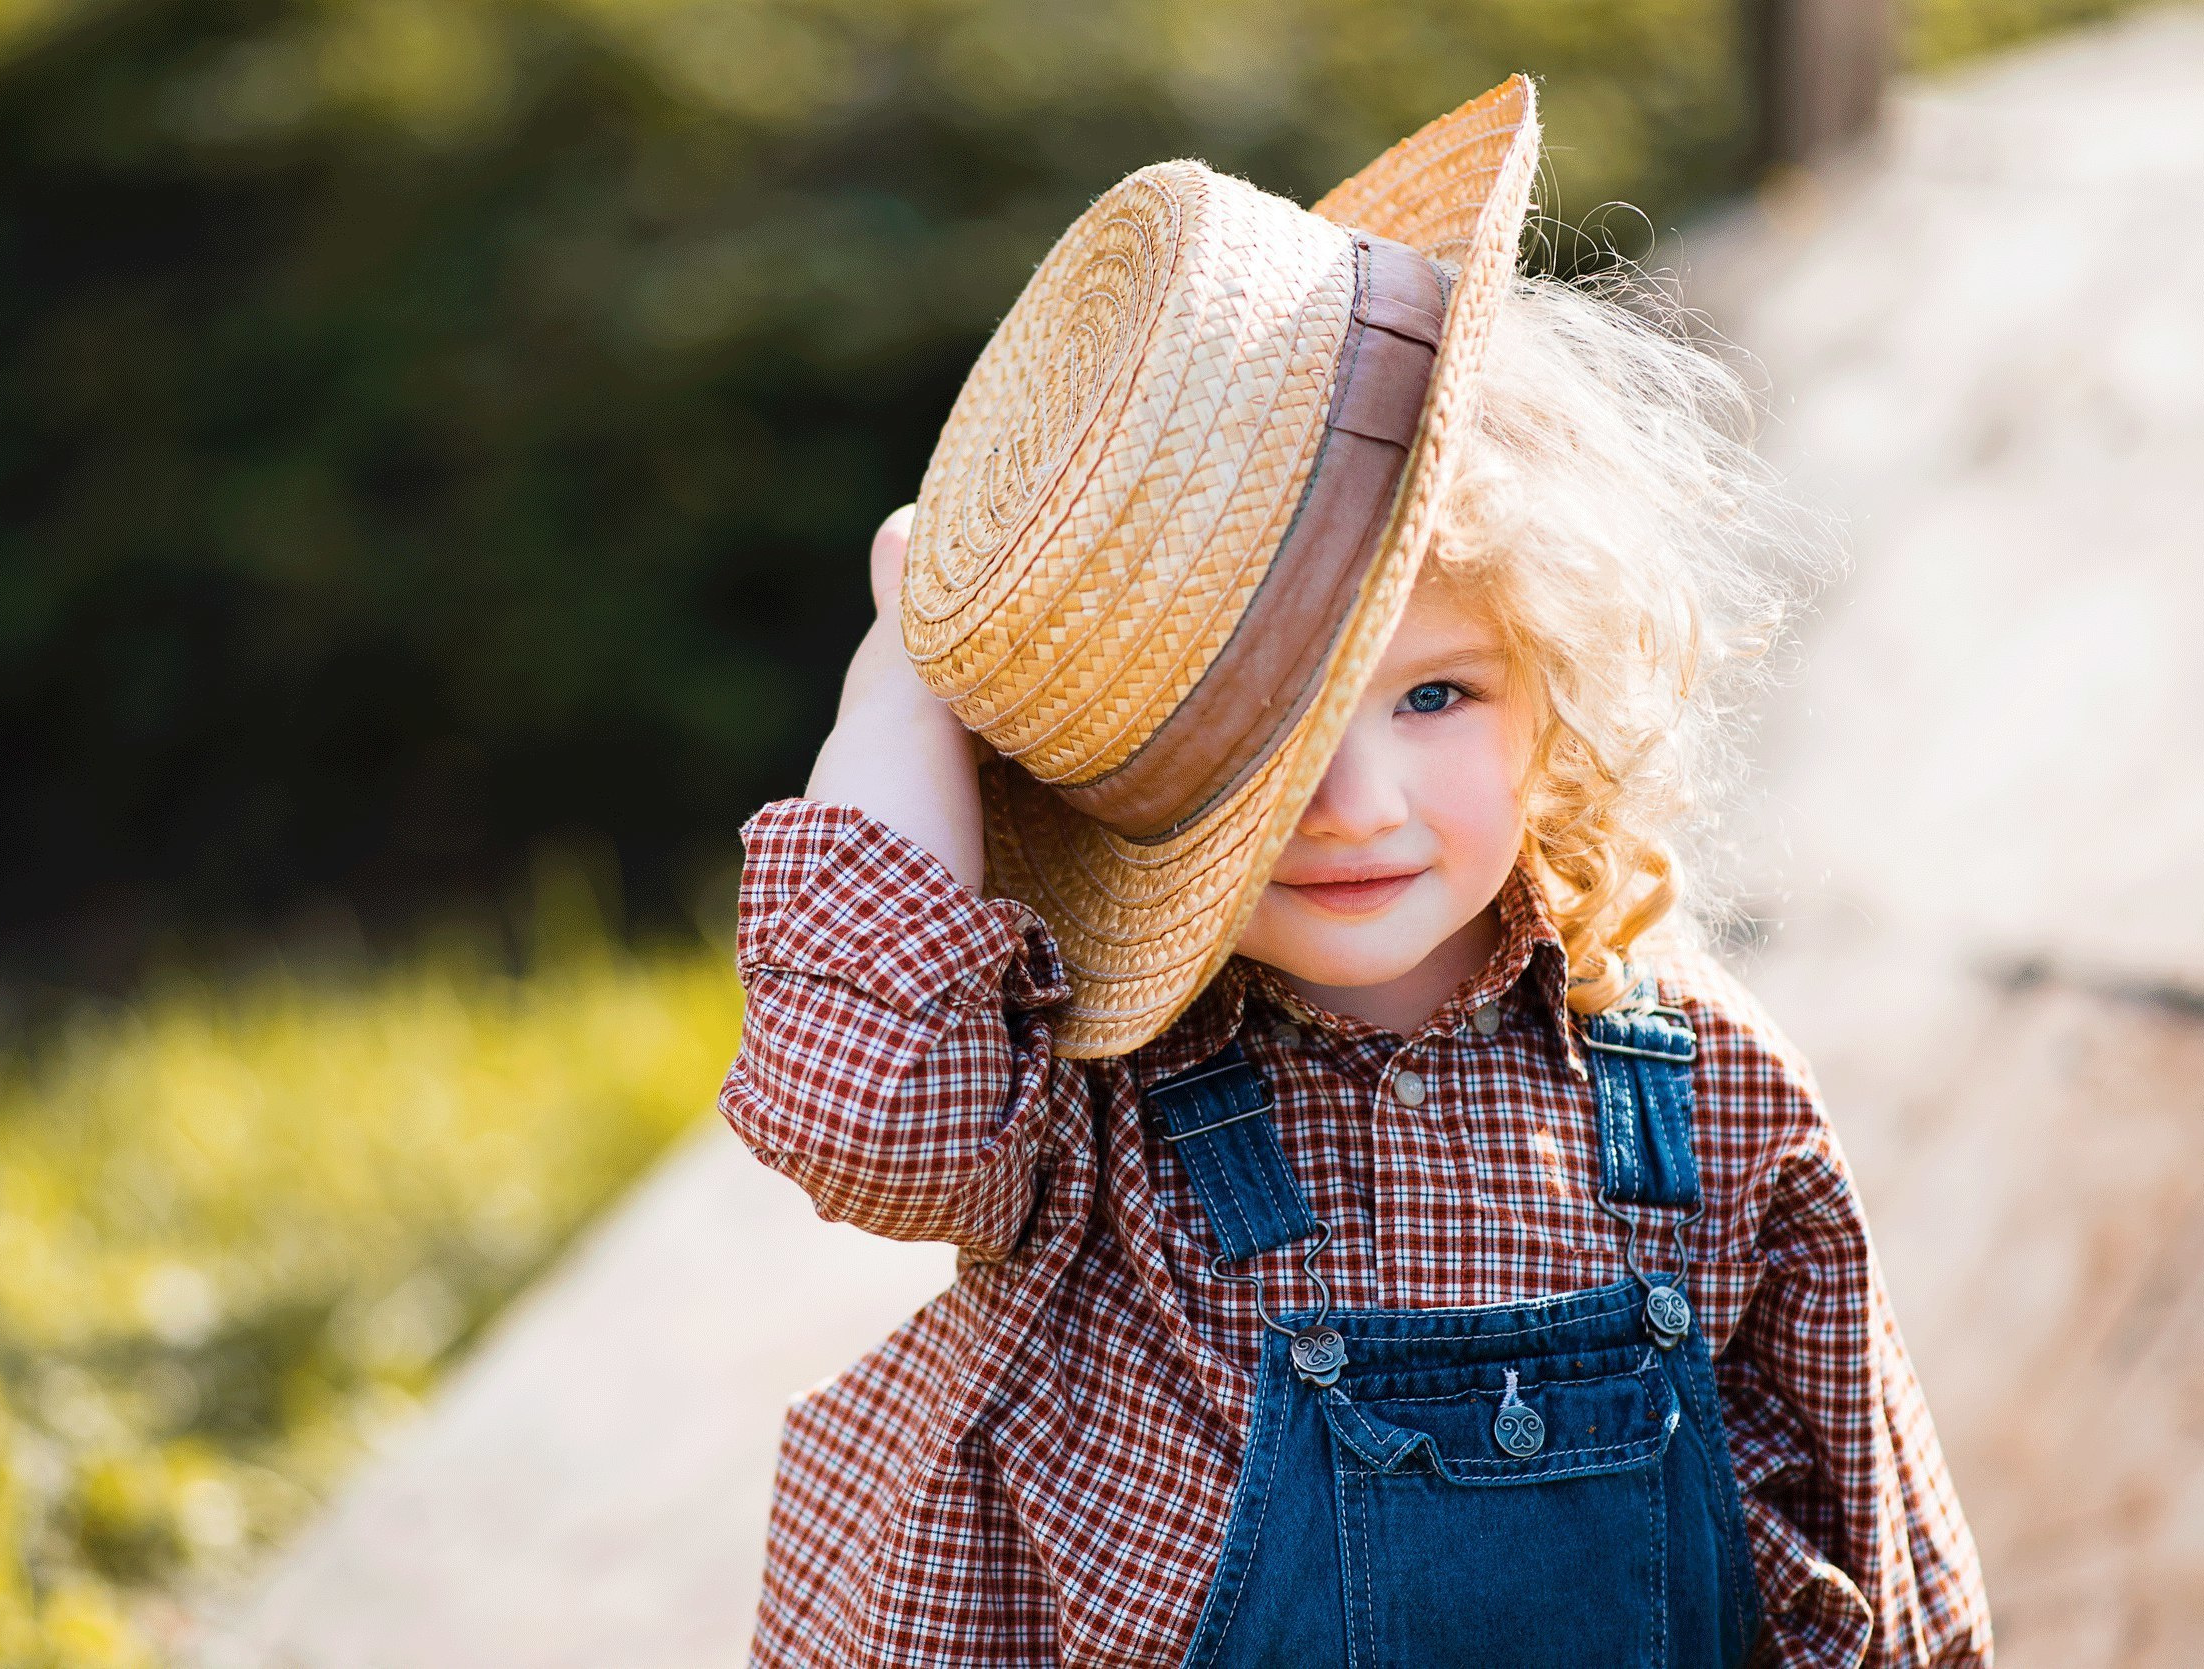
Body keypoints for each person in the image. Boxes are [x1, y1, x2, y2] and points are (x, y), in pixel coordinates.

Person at [718, 77, 1990, 1669]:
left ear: (1561, 685)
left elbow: (1874, 1560)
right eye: (1268, 725)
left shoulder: (1709, 1087)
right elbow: (865, 1116)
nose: (1354, 802)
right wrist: (913, 675)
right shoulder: (1082, 1103)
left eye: (1437, 694)